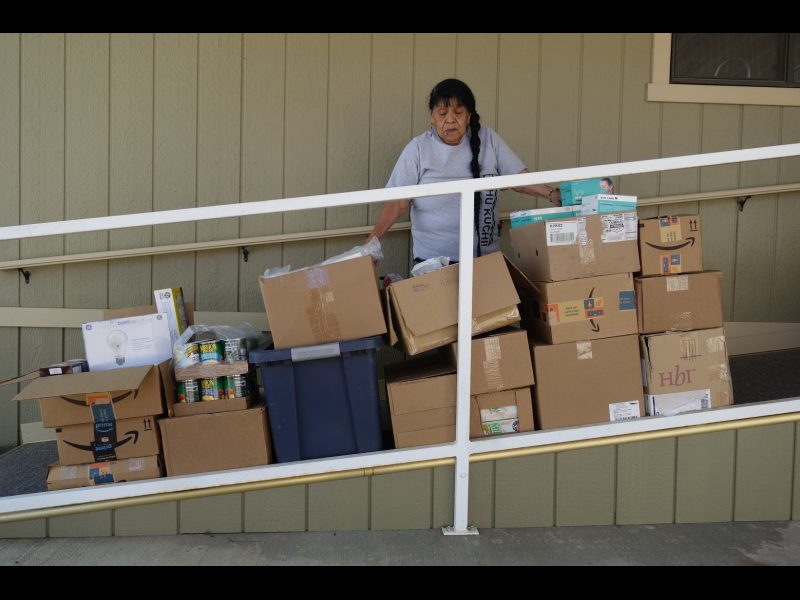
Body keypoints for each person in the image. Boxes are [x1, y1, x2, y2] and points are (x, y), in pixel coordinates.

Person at [367, 78, 561, 263]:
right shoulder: (418, 148)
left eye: (458, 113)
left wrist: (554, 195)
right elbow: (397, 202)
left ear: (469, 115)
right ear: (432, 116)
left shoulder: (489, 139)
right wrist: (372, 242)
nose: (450, 120)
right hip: (434, 261)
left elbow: (519, 179)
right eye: (442, 113)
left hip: (486, 259)